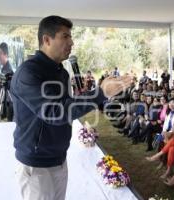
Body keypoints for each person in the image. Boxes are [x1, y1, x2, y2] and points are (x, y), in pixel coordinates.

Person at [11, 15, 132, 200]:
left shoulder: (61, 72)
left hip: (58, 158)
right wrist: (99, 94)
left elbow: (66, 107)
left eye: (71, 36)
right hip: (36, 165)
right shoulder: (28, 72)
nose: (72, 42)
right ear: (46, 39)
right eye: (65, 36)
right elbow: (54, 112)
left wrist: (85, 96)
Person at [0, 42, 14, 121]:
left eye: (0, 53)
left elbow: (6, 91)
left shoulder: (8, 70)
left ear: (6, 55)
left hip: (7, 107)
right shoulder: (4, 68)